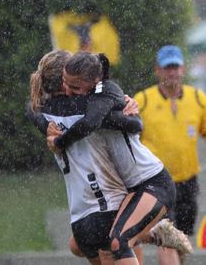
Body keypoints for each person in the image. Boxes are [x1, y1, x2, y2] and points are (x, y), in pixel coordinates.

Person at [47, 51, 192, 265]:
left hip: (152, 183)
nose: (68, 92)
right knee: (77, 245)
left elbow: (100, 122)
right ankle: (156, 234)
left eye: (74, 87)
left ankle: (156, 235)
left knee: (118, 242)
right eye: (65, 85)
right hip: (129, 188)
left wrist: (58, 142)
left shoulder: (104, 97)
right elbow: (35, 111)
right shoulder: (86, 101)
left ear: (93, 82)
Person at [28, 49, 144, 265]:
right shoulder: (90, 108)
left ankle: (151, 231)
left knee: (77, 246)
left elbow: (31, 108)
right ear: (65, 81)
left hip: (80, 218)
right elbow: (135, 126)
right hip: (108, 208)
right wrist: (129, 107)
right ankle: (153, 231)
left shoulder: (41, 109)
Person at [133, 45, 206, 265]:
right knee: (167, 239)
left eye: (175, 67)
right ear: (158, 70)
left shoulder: (198, 99)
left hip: (187, 181)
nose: (171, 72)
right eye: (167, 68)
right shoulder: (143, 101)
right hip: (156, 185)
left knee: (180, 240)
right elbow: (129, 143)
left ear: (183, 68)